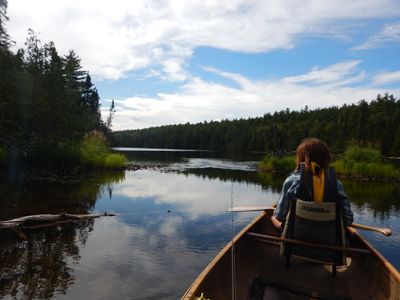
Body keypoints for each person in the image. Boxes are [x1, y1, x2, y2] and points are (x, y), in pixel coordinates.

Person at [271, 138, 353, 231]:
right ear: (326, 159)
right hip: (329, 242)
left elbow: (280, 217)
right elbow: (348, 220)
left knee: (273, 218)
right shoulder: (337, 185)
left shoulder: (291, 182)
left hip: (295, 242)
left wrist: (274, 214)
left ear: (303, 159)